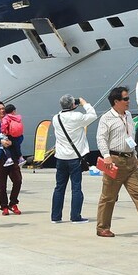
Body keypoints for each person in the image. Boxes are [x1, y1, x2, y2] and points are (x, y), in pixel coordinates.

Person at [95, 86, 138, 238]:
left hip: (130, 159)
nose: (128, 101)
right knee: (109, 196)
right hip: (115, 160)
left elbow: (129, 137)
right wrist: (106, 156)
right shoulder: (106, 118)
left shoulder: (128, 116)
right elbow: (101, 138)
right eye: (125, 99)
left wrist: (135, 155)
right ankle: (102, 227)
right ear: (116, 101)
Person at [51, 95, 97, 224]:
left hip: (60, 157)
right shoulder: (77, 117)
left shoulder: (56, 118)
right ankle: (75, 216)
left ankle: (56, 216)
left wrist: (74, 105)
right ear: (72, 105)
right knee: (76, 187)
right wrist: (84, 103)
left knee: (59, 187)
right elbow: (92, 115)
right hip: (75, 158)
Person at [0, 102, 24, 216]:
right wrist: (0, 141)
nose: (2, 111)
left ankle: (13, 202)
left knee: (17, 180)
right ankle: (4, 206)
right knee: (2, 183)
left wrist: (12, 142)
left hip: (12, 155)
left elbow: (20, 135)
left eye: (3, 109)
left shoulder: (13, 120)